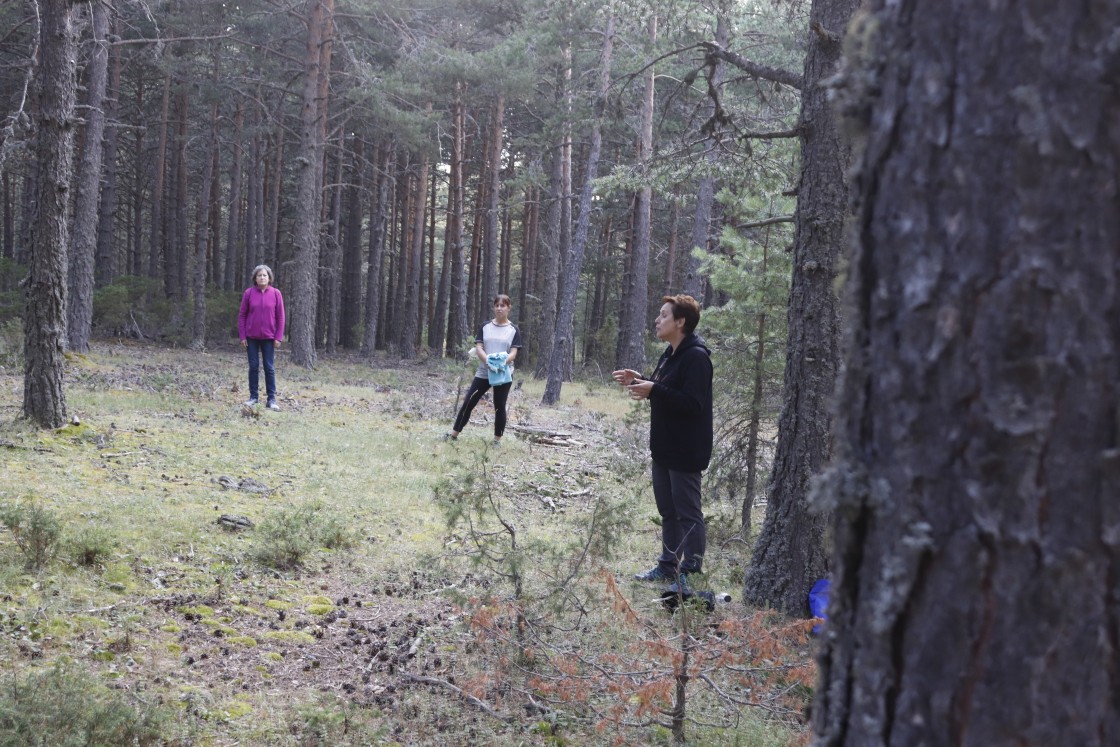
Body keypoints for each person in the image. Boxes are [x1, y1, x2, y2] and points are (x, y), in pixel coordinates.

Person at [612, 294, 713, 588]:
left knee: (688, 513)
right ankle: (668, 566)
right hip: (665, 448)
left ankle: (690, 574)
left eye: (664, 315)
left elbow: (693, 403)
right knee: (668, 511)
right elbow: (666, 390)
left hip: (686, 450)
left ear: (680, 322)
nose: (657, 320)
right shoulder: (670, 354)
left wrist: (653, 389)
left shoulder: (697, 357)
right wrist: (640, 379)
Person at [447, 294, 523, 446]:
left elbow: (514, 353)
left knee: (499, 406)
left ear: (509, 308)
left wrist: (501, 363)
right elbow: (479, 347)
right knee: (469, 401)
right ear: (494, 307)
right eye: (497, 305)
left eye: (503, 305)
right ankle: (453, 435)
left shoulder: (514, 330)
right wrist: (488, 361)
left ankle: (497, 440)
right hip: (484, 371)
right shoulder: (485, 326)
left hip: (503, 373)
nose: (499, 308)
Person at [238, 264, 285, 411]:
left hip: (269, 338)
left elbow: (281, 317)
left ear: (269, 278)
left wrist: (278, 337)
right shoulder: (249, 293)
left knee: (269, 368)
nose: (262, 277)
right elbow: (242, 316)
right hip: (251, 337)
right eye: (259, 275)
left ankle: (271, 399)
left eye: (265, 275)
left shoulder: (276, 293)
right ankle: (253, 397)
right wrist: (242, 336)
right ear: (255, 278)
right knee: (253, 367)